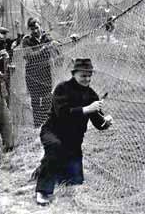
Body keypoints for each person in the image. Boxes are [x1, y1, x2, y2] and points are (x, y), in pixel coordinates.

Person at [34, 58, 113, 206]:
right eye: (83, 75)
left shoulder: (92, 95)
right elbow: (62, 113)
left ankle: (44, 168)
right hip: (52, 132)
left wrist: (105, 123)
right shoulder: (62, 88)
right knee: (55, 148)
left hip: (73, 141)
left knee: (74, 181)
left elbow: (98, 122)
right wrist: (86, 109)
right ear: (74, 74)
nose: (87, 79)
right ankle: (43, 191)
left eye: (89, 75)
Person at [22, 17, 59, 128]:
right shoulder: (26, 40)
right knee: (35, 100)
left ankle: (46, 122)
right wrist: (43, 49)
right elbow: (29, 56)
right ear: (29, 29)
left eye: (37, 28)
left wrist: (72, 39)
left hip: (46, 72)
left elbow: (57, 46)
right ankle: (38, 124)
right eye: (32, 29)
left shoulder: (47, 37)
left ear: (40, 26)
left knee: (47, 98)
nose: (35, 31)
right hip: (32, 75)